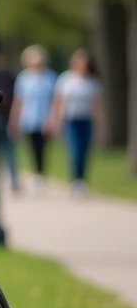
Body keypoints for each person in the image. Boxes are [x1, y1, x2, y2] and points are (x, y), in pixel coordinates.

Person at [49, 47, 106, 197]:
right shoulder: (66, 79)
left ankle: (81, 180)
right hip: (71, 120)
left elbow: (97, 106)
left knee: (85, 151)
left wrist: (101, 125)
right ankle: (75, 180)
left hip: (86, 120)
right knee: (75, 151)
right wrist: (55, 121)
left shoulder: (92, 82)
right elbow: (58, 102)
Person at [11, 45, 57, 192]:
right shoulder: (23, 78)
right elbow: (18, 101)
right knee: (32, 148)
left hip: (44, 119)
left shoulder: (50, 77)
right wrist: (15, 120)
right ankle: (36, 174)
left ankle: (40, 174)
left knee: (42, 149)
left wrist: (52, 119)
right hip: (29, 118)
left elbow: (54, 101)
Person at [0, 47, 19, 192]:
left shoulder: (10, 77)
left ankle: (14, 182)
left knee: (9, 153)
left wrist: (14, 121)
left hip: (6, 119)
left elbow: (16, 100)